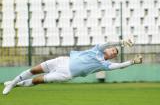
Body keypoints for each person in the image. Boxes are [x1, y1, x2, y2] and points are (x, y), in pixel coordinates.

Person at [2, 39, 142, 95]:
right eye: (113, 50)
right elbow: (107, 42)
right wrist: (121, 42)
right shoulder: (97, 49)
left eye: (114, 53)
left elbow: (119, 66)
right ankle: (13, 83)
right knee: (34, 70)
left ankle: (14, 85)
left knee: (38, 80)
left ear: (112, 57)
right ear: (109, 49)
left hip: (66, 74)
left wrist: (132, 62)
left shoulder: (105, 64)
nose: (112, 52)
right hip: (63, 61)